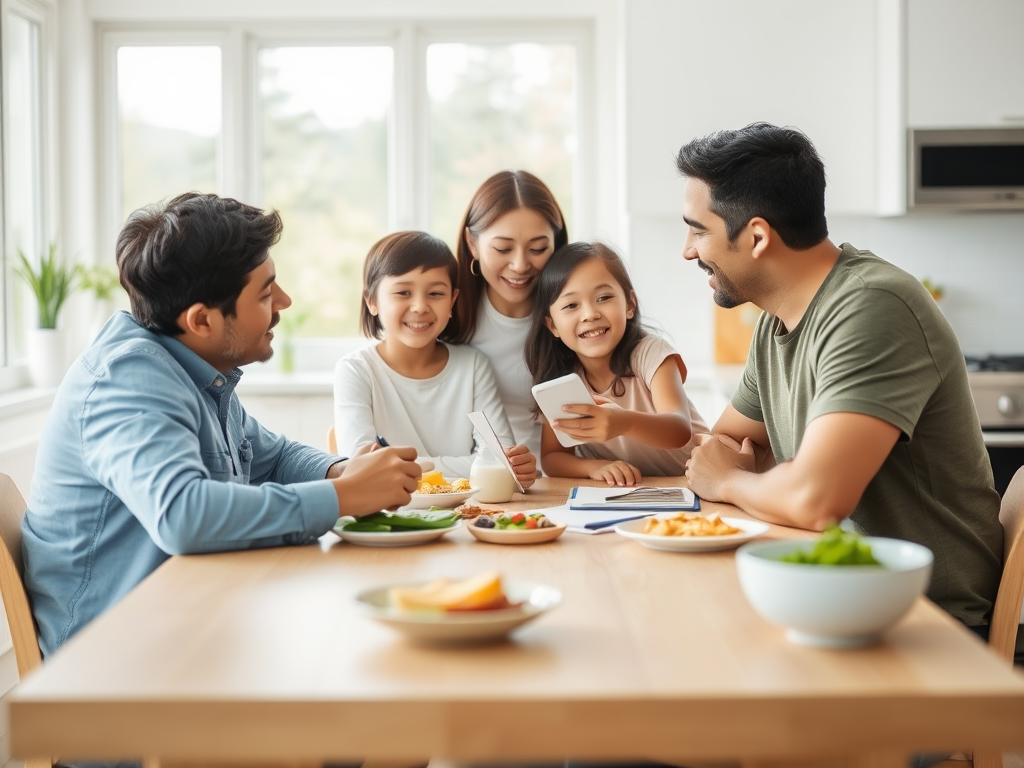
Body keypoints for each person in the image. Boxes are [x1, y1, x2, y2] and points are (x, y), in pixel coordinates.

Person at [23, 192, 422, 659]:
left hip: (183, 621)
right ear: (202, 320)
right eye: (265, 292)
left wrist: (344, 471)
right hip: (114, 659)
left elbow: (272, 457)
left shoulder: (189, 365)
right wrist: (344, 497)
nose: (285, 302)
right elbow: (183, 515)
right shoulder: (129, 379)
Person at [677, 123, 1003, 634]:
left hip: (923, 620)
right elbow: (728, 441)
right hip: (834, 590)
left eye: (698, 230)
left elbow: (813, 499)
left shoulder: (873, 306)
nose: (688, 251)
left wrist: (732, 480)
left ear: (757, 236)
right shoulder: (775, 321)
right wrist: (757, 475)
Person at [334, 230, 537, 485]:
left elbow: (500, 462)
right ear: (371, 301)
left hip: (468, 511)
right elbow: (361, 467)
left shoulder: (473, 366)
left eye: (436, 293)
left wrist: (405, 466)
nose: (420, 306)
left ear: (452, 301)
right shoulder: (356, 371)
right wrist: (471, 465)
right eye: (403, 293)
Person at [525, 241, 708, 486]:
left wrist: (623, 422)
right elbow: (552, 459)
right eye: (571, 305)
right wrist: (594, 466)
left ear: (630, 305)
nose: (590, 314)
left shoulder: (651, 353)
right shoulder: (562, 380)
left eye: (603, 297)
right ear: (553, 326)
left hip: (698, 480)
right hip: (641, 492)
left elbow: (679, 430)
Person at [442, 170, 569, 459]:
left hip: (564, 475)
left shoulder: (574, 313)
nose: (520, 265)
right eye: (503, 248)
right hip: (474, 476)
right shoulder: (446, 314)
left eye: (538, 248)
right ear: (472, 244)